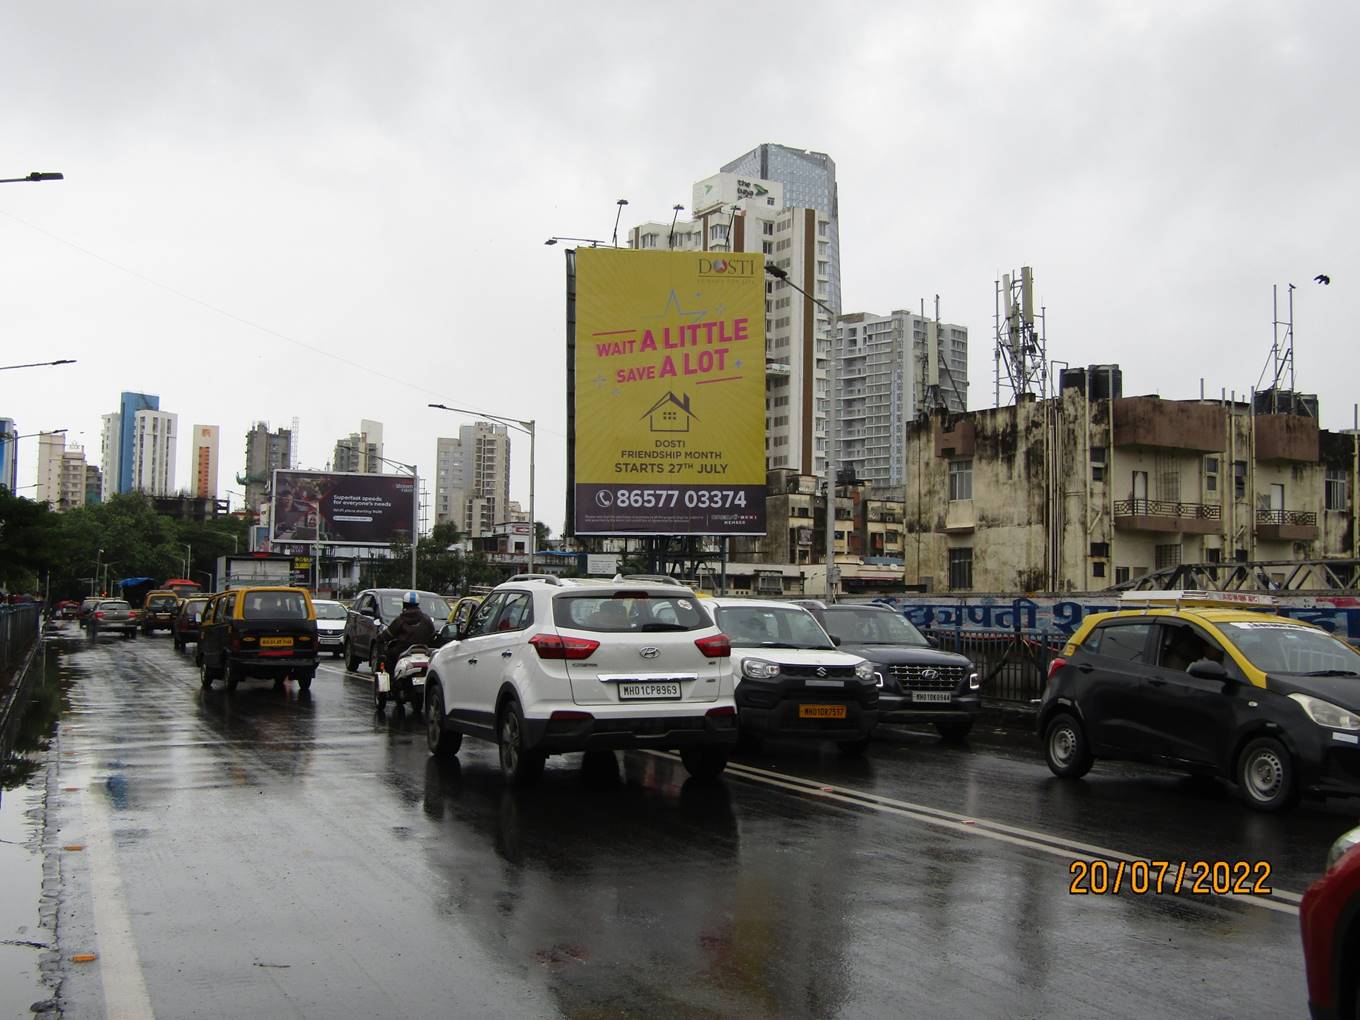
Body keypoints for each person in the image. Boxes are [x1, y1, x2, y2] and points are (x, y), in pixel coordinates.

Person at [379, 591, 437, 669]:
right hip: (424, 651)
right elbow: (433, 635)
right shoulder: (427, 619)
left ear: (404, 604)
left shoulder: (400, 620)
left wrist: (380, 638)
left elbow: (387, 635)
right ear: (417, 604)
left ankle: (392, 680)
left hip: (402, 651)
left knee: (388, 658)